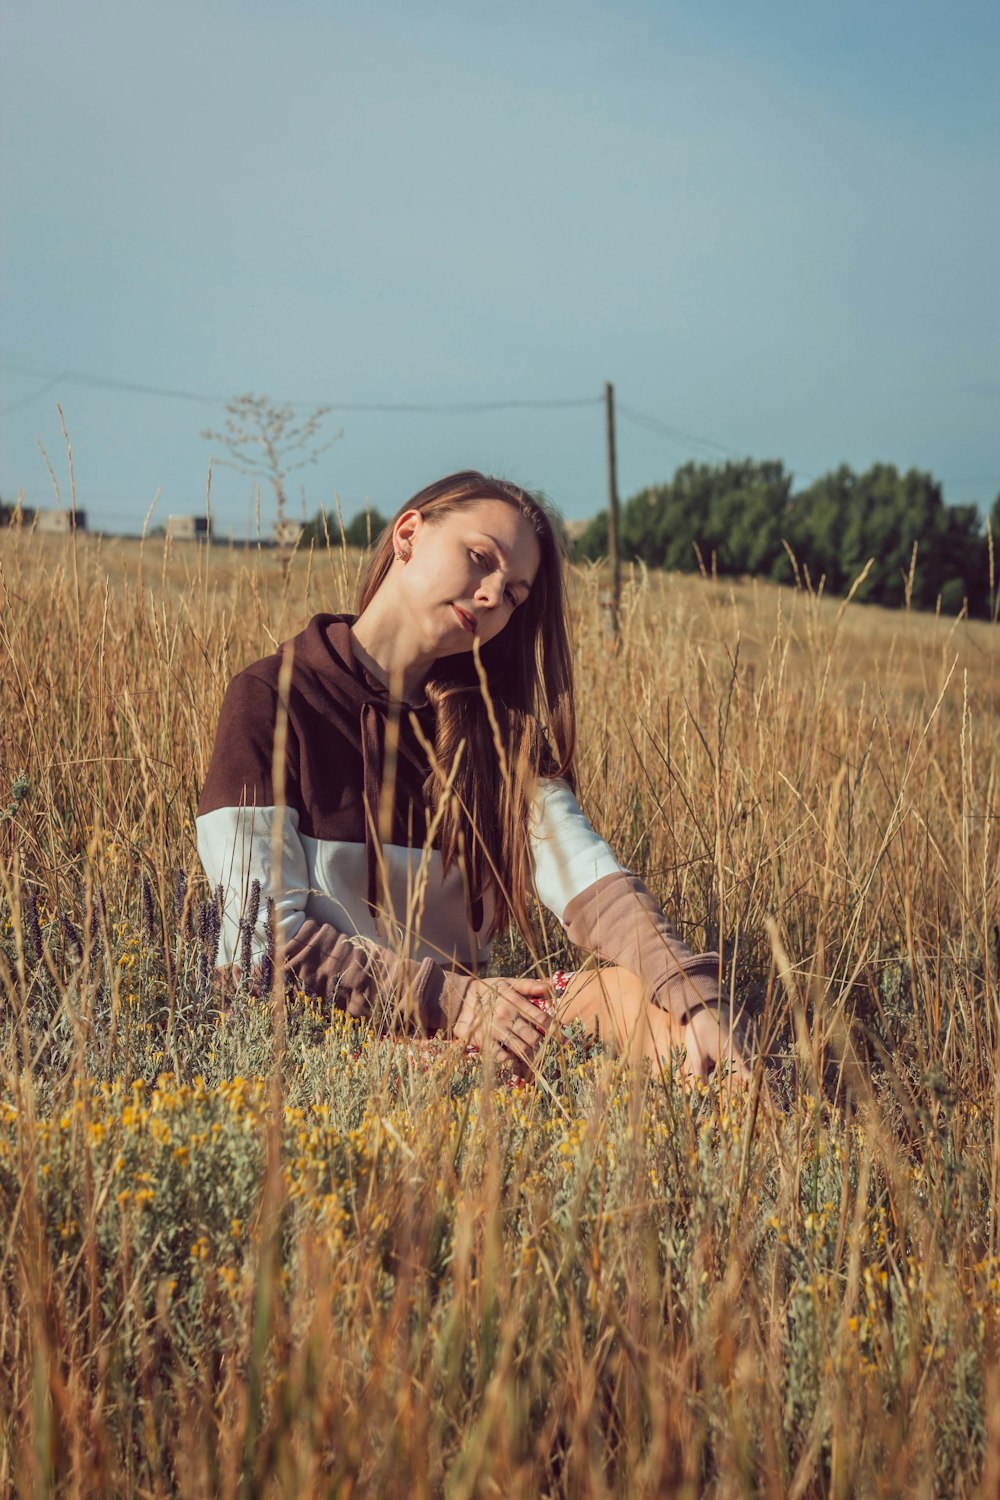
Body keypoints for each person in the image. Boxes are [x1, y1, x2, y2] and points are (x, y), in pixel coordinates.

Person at [196, 472, 749, 1082]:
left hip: (471, 1034)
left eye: (513, 594)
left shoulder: (495, 733)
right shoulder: (272, 699)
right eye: (479, 559)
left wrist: (700, 1000)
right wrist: (455, 1002)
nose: (490, 597)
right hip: (319, 1045)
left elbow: (596, 884)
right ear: (409, 534)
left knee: (655, 1005)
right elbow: (263, 945)